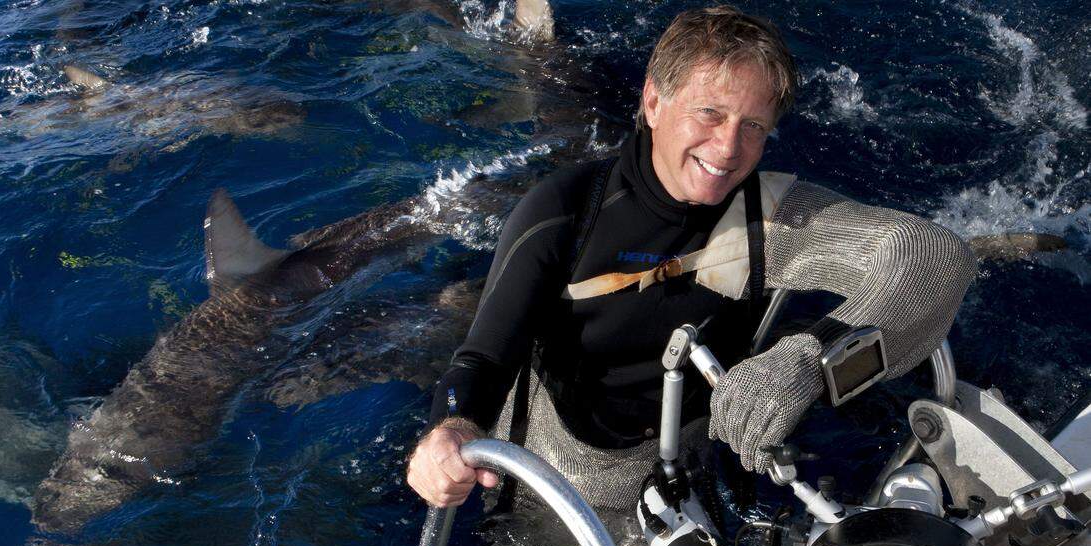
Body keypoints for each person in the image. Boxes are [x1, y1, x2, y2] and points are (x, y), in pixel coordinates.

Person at [406, 6, 975, 511]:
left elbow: (935, 254)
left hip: (702, 464)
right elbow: (481, 362)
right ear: (654, 101)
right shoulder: (565, 214)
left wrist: (804, 361)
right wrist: (449, 432)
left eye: (753, 126)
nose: (728, 149)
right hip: (563, 480)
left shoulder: (768, 216)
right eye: (709, 113)